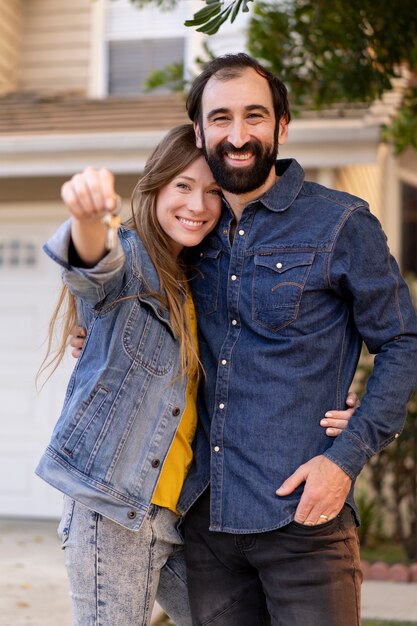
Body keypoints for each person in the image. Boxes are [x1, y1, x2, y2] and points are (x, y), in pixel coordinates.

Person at [170, 53, 417, 626]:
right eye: (221, 118)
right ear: (200, 133)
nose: (238, 135)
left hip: (306, 520)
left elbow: (403, 340)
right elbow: (127, 304)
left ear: (281, 126)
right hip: (207, 522)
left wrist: (347, 456)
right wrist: (90, 330)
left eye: (254, 116)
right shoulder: (187, 232)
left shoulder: (340, 223)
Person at [35, 124, 223, 626]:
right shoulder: (134, 260)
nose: (199, 204)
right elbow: (92, 264)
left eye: (214, 191)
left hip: (174, 517)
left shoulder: (194, 283)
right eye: (183, 186)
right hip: (114, 512)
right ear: (157, 186)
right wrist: (87, 218)